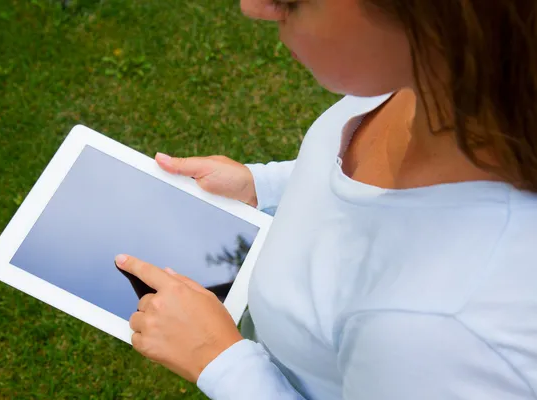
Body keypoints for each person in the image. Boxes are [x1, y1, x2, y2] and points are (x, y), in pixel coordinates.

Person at [113, 0, 537, 398]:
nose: (253, 7)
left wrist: (222, 363)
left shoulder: (445, 333)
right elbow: (357, 183)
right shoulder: (430, 81)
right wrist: (263, 187)